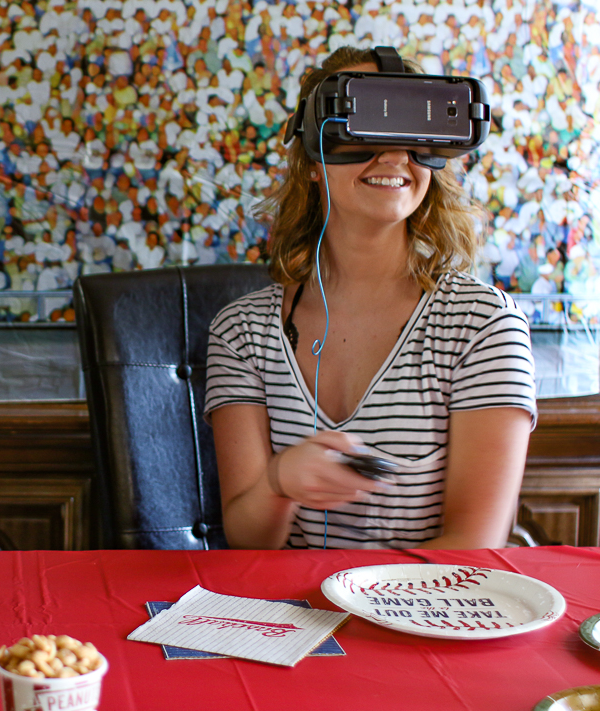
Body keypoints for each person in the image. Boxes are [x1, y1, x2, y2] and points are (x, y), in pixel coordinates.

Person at [204, 47, 536, 550]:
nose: (393, 155)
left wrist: (346, 596)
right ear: (313, 160)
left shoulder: (485, 326)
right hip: (290, 622)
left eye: (409, 130)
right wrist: (278, 483)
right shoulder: (241, 333)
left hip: (420, 621)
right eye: (361, 129)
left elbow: (476, 546)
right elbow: (249, 544)